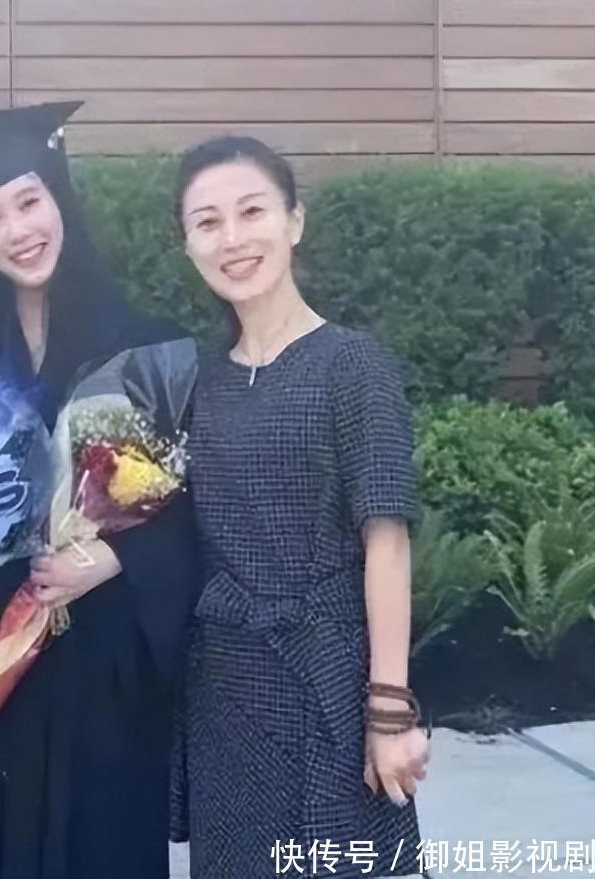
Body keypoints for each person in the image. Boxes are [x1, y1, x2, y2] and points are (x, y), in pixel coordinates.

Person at [0, 101, 200, 879]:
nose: (17, 230)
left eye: (29, 201)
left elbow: (193, 499)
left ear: (60, 199)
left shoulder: (145, 347)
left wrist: (114, 560)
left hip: (103, 658)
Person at [171, 136, 429, 878]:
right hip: (225, 691)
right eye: (207, 222)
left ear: (294, 221)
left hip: (330, 683)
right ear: (188, 245)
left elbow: (387, 541)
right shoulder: (196, 380)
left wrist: (390, 709)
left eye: (252, 211)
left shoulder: (353, 364)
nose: (232, 238)